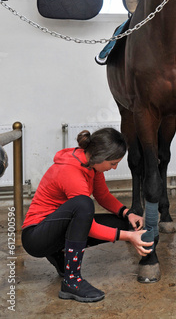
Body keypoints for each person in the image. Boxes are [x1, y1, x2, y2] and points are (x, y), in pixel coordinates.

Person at [21, 127, 153, 303]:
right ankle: (72, 281)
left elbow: (103, 196)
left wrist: (128, 213)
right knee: (83, 205)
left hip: (56, 229)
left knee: (122, 222)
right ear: (100, 157)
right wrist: (129, 237)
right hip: (36, 236)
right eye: (113, 163)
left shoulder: (91, 164)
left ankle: (59, 252)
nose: (114, 168)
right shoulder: (71, 172)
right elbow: (88, 226)